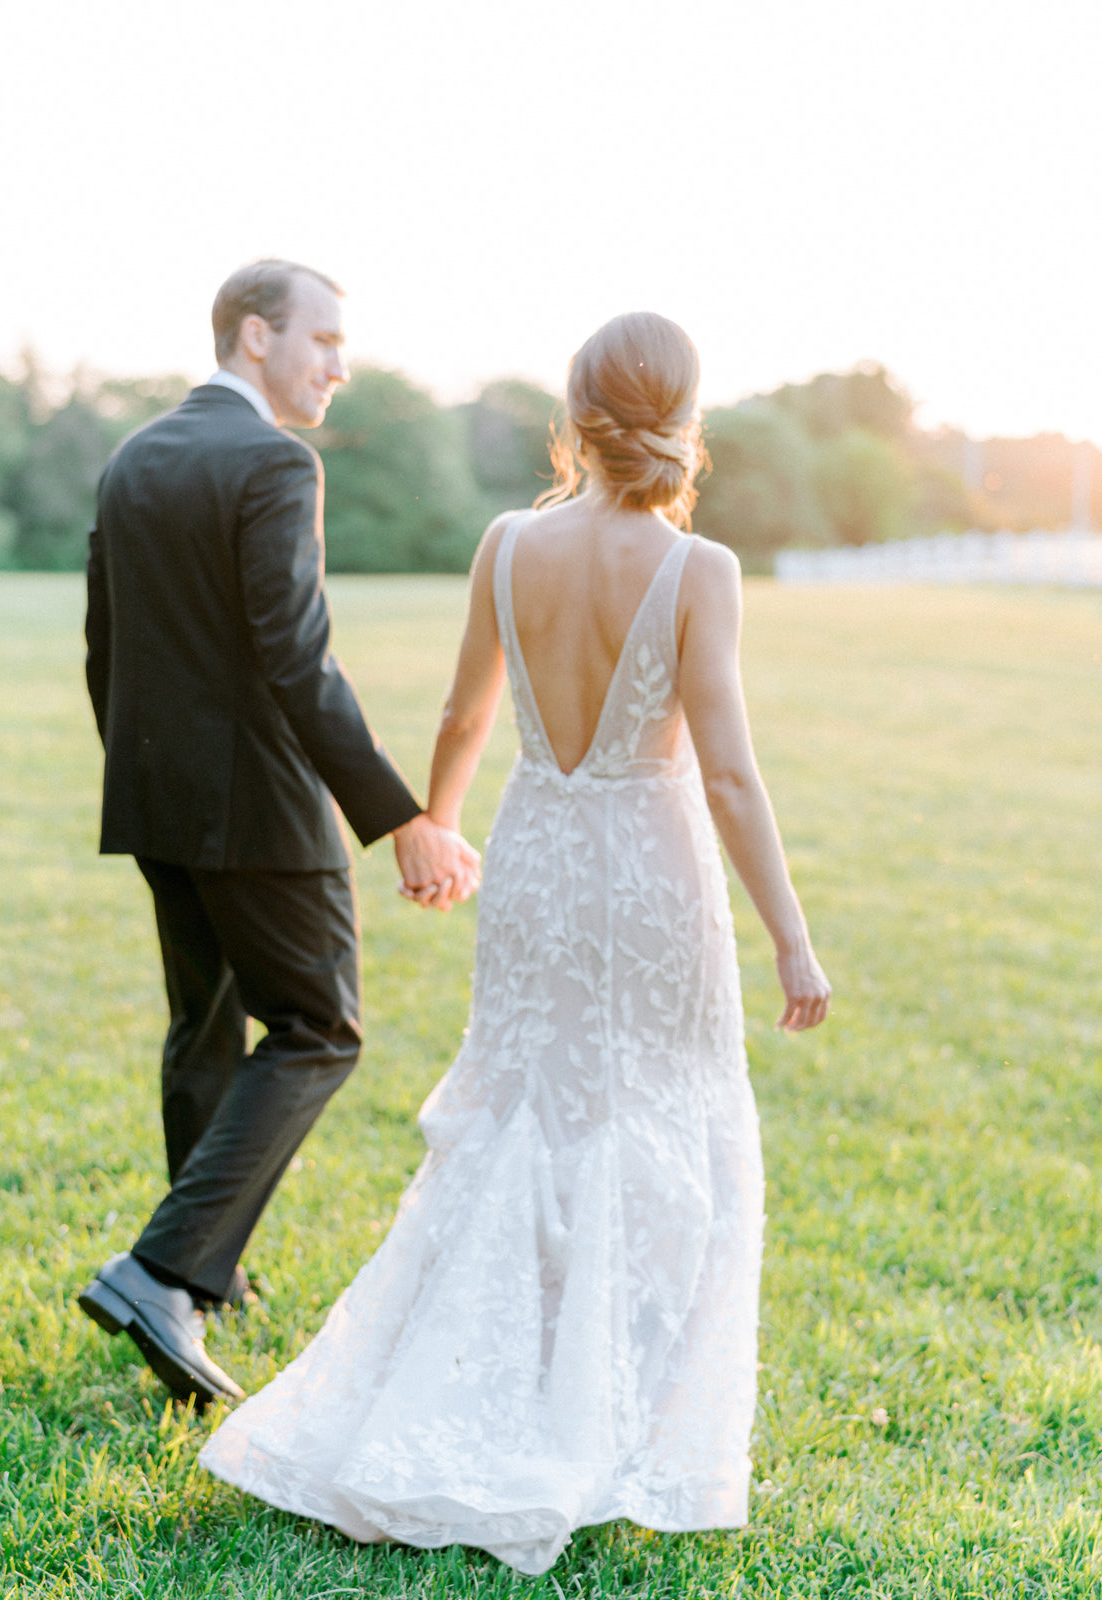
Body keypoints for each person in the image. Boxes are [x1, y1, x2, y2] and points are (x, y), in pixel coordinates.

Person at [200, 311, 830, 1573]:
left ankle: (502, 1379)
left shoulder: (505, 543)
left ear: (575, 409)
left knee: (527, 1115)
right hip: (650, 873)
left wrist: (437, 819)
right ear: (682, 413)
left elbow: (461, 707)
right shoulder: (699, 568)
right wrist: (792, 942)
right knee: (658, 1119)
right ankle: (611, 1409)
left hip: (539, 856)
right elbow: (733, 779)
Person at [77, 259, 479, 1408]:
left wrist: (145, 775)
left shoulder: (134, 455)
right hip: (260, 806)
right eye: (326, 341)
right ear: (255, 337)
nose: (340, 367)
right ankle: (162, 1270)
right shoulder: (271, 460)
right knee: (318, 1024)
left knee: (203, 1026)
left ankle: (208, 1272)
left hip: (154, 798)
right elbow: (297, 658)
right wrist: (399, 815)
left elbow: (106, 647)